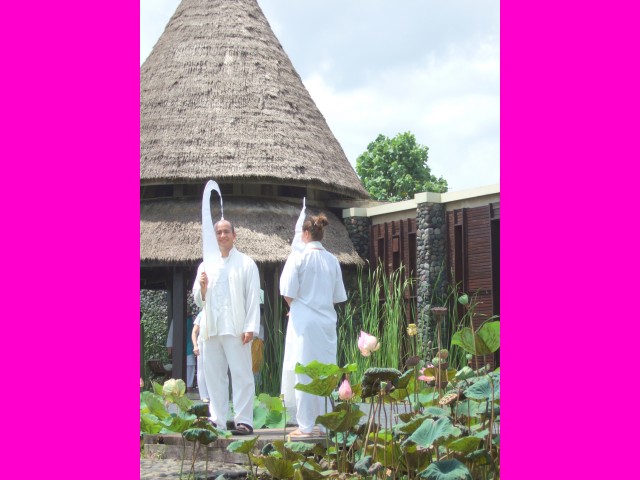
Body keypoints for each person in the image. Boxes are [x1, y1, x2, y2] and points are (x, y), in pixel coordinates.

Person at [280, 213, 347, 437]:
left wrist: (295, 306)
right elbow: (338, 296)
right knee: (326, 372)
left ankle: (306, 426)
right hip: (326, 321)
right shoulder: (333, 260)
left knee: (304, 372)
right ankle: (326, 425)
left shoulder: (297, 258)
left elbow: (288, 291)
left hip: (304, 322)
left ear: (306, 234)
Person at [193, 219, 261, 435]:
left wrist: (250, 327)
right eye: (218, 233)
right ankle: (218, 419)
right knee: (214, 376)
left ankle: (244, 420)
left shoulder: (246, 263)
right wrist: (202, 288)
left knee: (241, 374)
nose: (222, 236)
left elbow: (252, 297)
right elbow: (198, 300)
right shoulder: (205, 265)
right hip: (211, 328)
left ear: (234, 235)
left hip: (236, 327)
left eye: (226, 232)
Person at [166, 315, 195, 389]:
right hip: (178, 346)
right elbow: (171, 333)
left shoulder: (193, 318)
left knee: (190, 365)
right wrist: (169, 347)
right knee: (179, 366)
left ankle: (189, 386)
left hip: (190, 346)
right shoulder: (176, 318)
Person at [191, 310, 209, 402]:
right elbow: (194, 332)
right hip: (202, 343)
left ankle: (214, 394)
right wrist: (195, 346)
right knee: (202, 369)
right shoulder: (201, 314)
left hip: (215, 344)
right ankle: (204, 395)